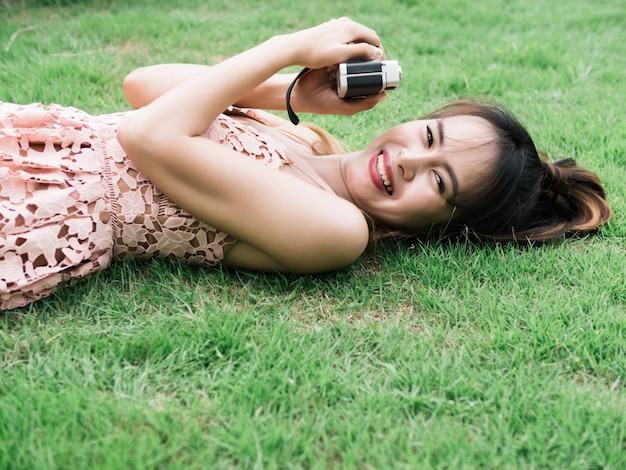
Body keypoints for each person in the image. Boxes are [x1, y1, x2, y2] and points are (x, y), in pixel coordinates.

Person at [0, 18, 611, 310]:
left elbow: (148, 135)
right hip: (38, 144)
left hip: (47, 203)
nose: (408, 162)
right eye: (429, 135)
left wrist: (287, 45)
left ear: (442, 224)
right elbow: (146, 84)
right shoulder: (309, 140)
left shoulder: (333, 231)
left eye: (438, 179)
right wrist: (291, 92)